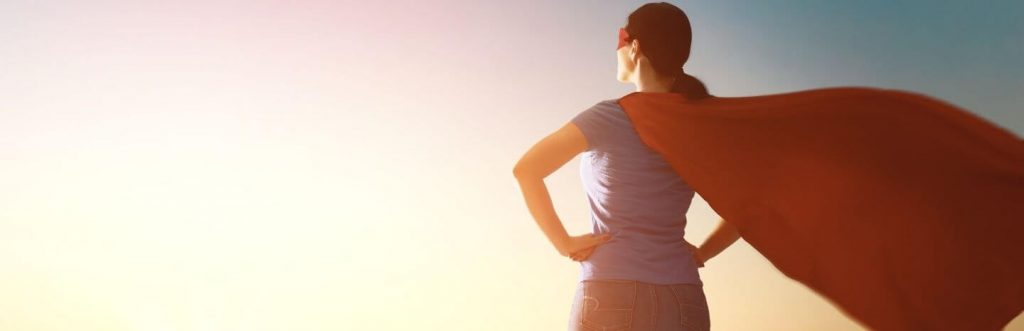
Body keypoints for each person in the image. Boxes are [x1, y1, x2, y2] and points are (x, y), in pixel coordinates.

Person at [512, 3, 738, 330]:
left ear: (635, 47)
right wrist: (703, 252)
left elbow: (527, 169)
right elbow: (750, 207)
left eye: (621, 39)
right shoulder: (698, 126)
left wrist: (564, 242)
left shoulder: (608, 118)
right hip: (684, 297)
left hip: (610, 288)